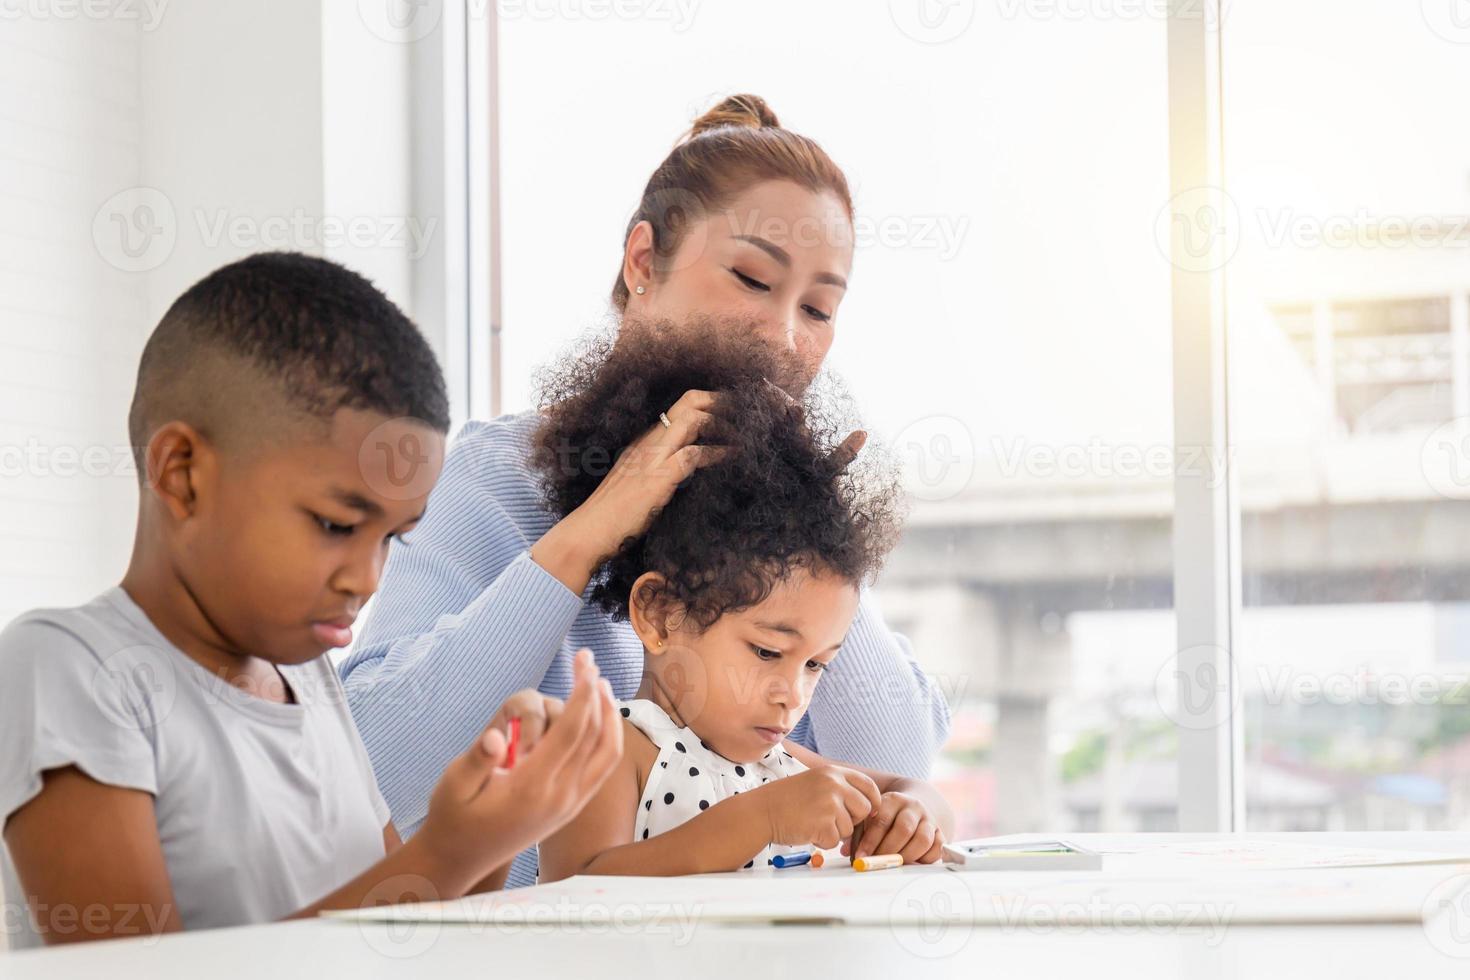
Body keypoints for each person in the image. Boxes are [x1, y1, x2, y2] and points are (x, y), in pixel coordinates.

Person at [341, 94, 951, 887]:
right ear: (641, 262)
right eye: (751, 278)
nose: (784, 337)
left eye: (819, 308)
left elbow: (894, 762)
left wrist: (806, 522)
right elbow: (373, 767)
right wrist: (590, 532)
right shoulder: (499, 477)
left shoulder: (780, 513)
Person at [0, 253, 621, 947]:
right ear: (182, 475)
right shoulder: (67, 669)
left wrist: (497, 829)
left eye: (394, 539)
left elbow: (391, 935)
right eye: (335, 525)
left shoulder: (310, 680)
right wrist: (448, 852)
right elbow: (129, 973)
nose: (367, 578)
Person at [534, 325, 953, 880]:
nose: (792, 695)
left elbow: (910, 788)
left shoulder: (775, 764)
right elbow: (576, 888)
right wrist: (763, 818)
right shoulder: (610, 748)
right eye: (766, 652)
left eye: (815, 665)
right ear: (659, 613)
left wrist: (918, 812)